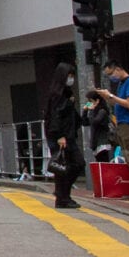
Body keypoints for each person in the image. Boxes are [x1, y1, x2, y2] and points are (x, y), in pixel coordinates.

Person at [44, 65, 84, 209]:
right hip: (61, 137)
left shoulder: (66, 92)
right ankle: (62, 197)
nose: (71, 79)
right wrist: (60, 135)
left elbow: (70, 115)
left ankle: (62, 195)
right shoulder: (58, 94)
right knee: (67, 165)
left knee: (68, 166)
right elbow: (55, 116)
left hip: (68, 135)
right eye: (69, 76)